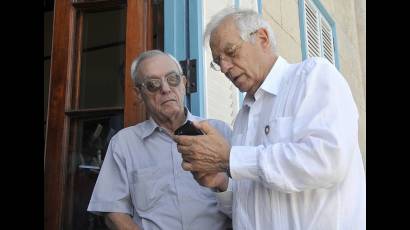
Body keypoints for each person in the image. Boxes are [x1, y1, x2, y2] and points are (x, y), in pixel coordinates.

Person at [174, 8, 366, 230]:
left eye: (231, 51)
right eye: (218, 61)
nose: (225, 67)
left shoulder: (313, 77)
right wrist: (222, 184)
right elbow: (254, 206)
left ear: (262, 38)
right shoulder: (242, 119)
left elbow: (328, 159)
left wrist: (229, 158)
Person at [87, 50, 233, 230]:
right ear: (139, 94)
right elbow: (113, 212)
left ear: (184, 83)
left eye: (173, 79)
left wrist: (222, 182)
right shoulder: (124, 144)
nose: (165, 89)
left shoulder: (220, 132)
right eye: (153, 84)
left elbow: (249, 202)